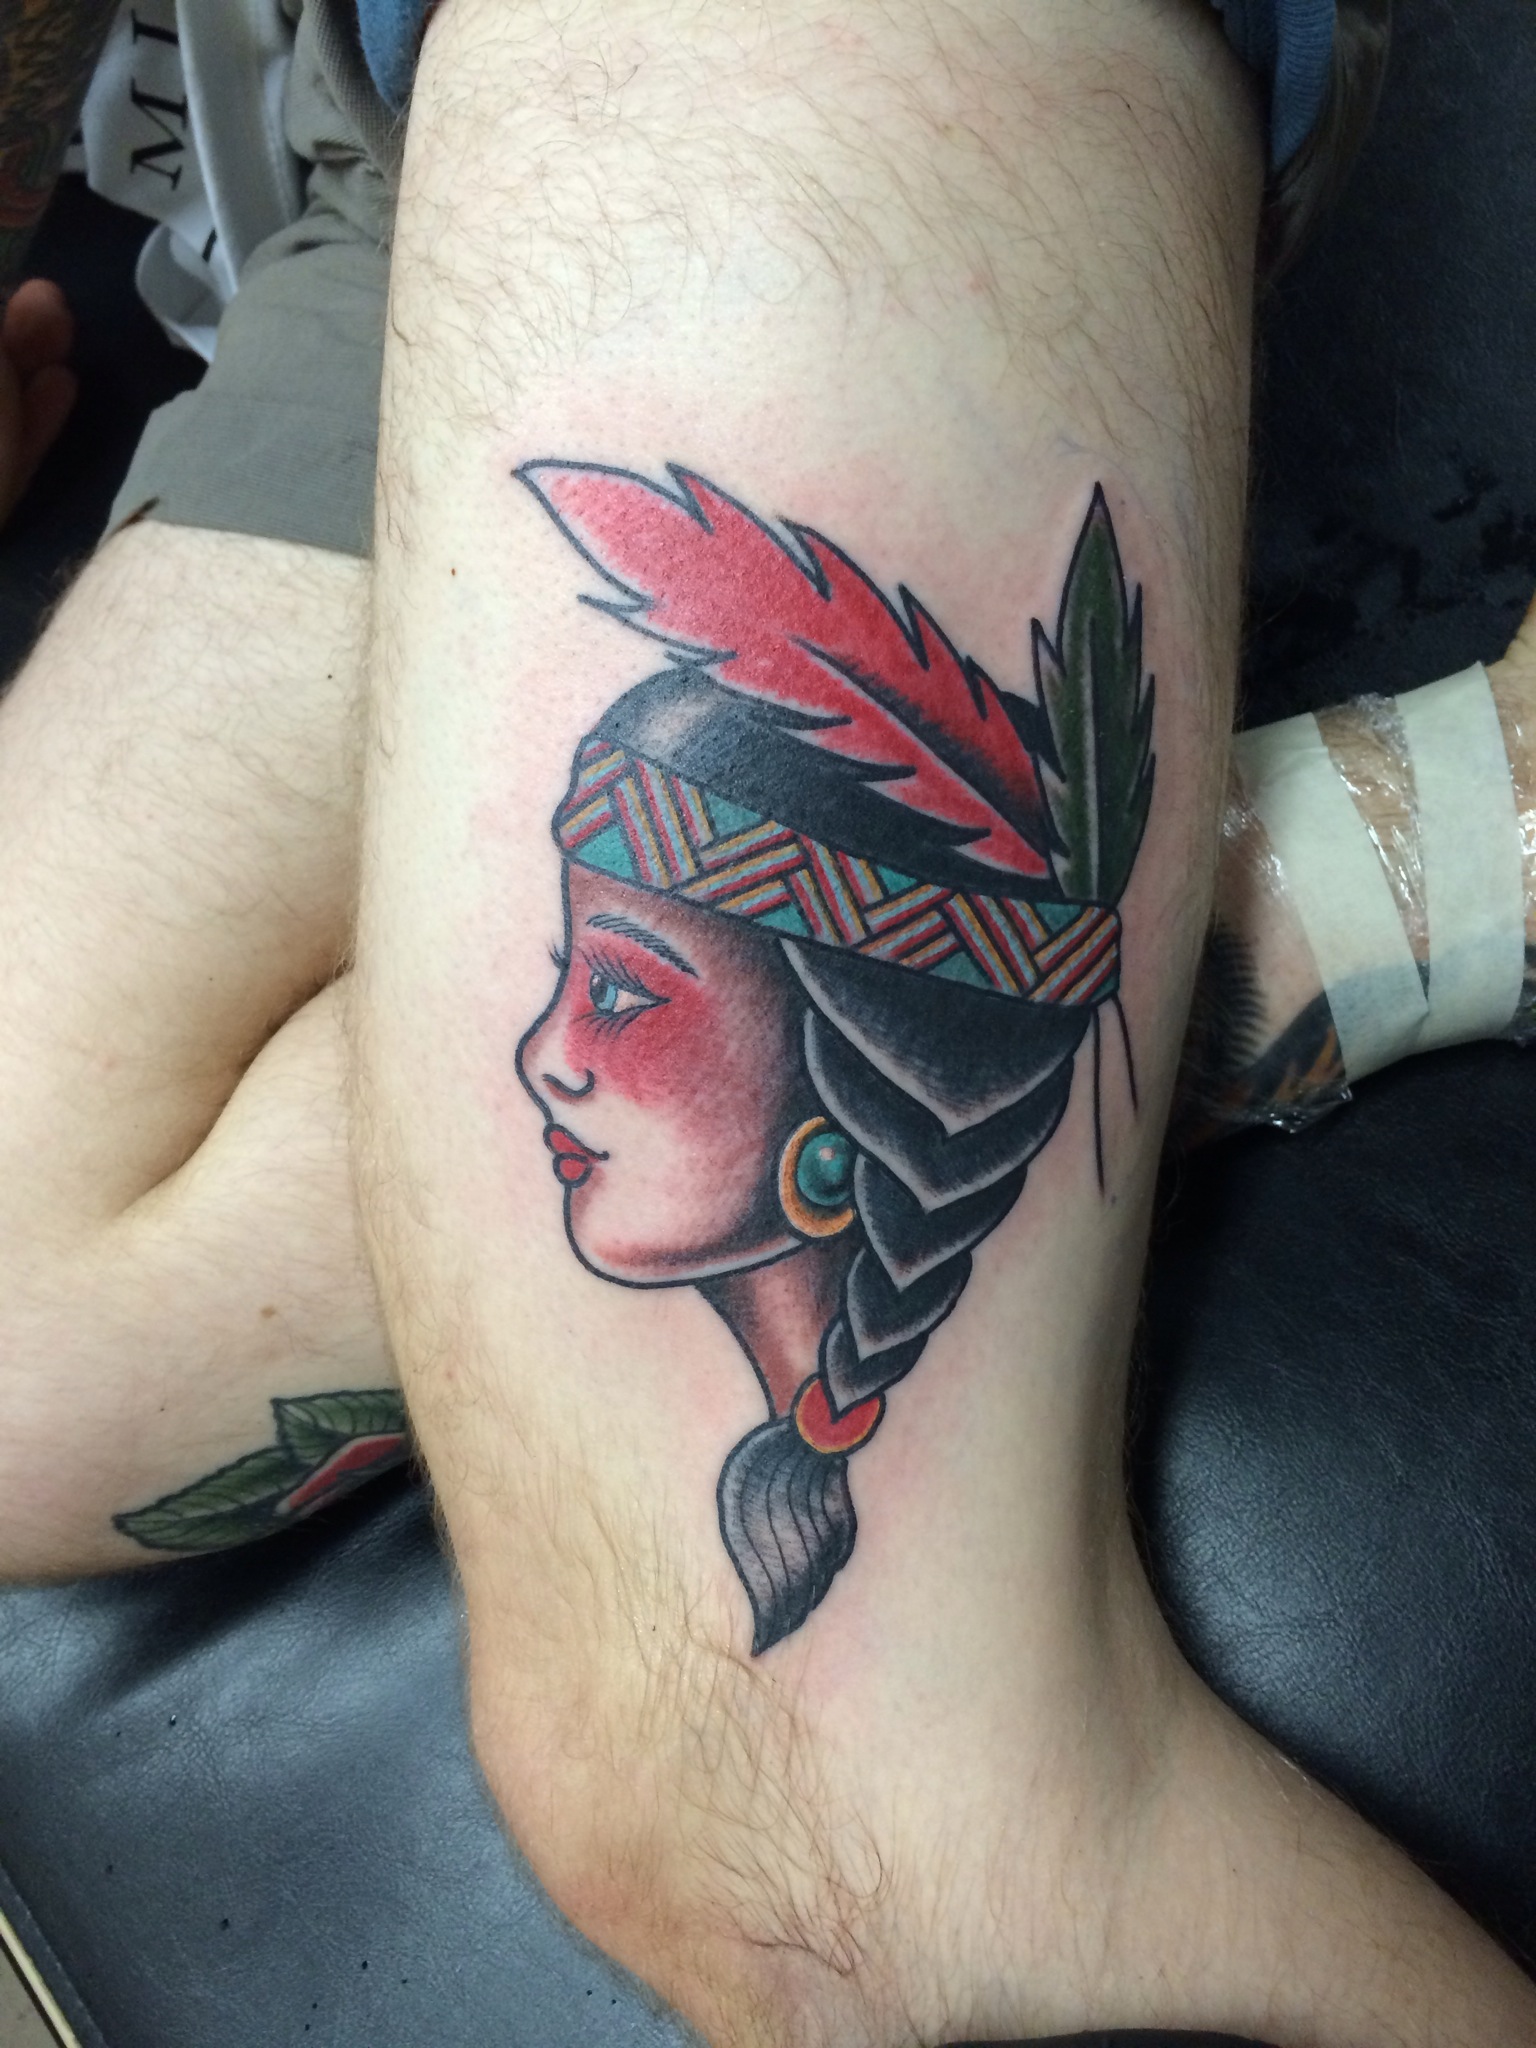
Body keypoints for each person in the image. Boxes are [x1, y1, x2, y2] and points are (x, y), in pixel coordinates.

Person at [2, 3, 1535, 2044]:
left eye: (624, 987)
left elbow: (826, 1845)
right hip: (338, 152)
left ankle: (1424, 848)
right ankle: (1281, 906)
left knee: (791, 1825)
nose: (543, 1052)